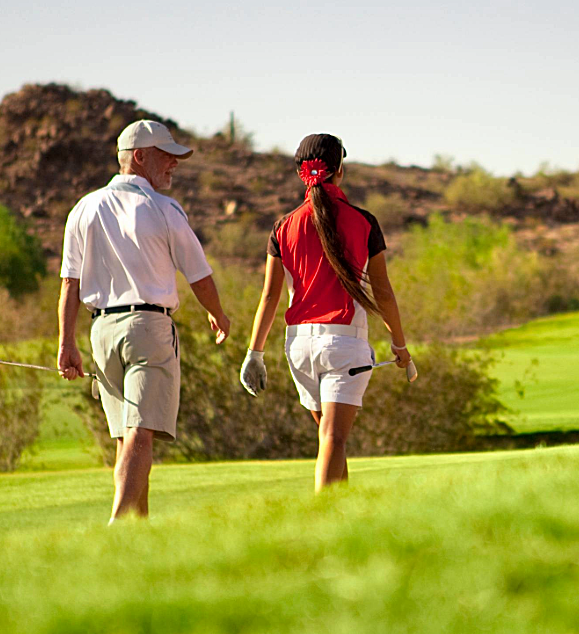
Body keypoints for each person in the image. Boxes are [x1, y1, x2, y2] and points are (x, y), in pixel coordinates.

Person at [57, 119, 232, 521]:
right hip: (149, 329)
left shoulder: (83, 208)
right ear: (139, 156)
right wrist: (218, 314)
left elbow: (69, 283)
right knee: (139, 434)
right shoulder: (164, 208)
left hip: (101, 332)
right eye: (167, 156)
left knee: (126, 439)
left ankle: (139, 533)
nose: (174, 164)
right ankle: (119, 523)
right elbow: (199, 275)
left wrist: (67, 343)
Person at [240, 133, 410, 491]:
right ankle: (322, 521)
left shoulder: (283, 226)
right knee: (334, 438)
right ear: (340, 171)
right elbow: (384, 293)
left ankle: (342, 520)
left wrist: (254, 353)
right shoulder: (363, 221)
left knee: (330, 439)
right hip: (344, 345)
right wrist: (400, 346)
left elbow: (269, 297)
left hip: (298, 348)